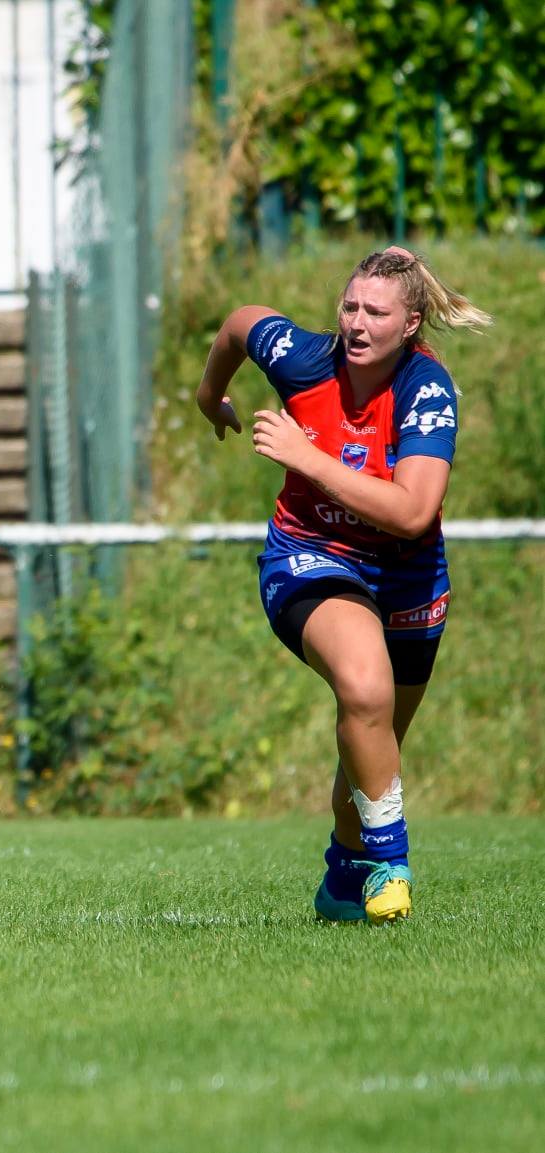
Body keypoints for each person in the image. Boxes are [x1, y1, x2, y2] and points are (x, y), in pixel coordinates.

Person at [194, 246, 490, 925]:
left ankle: (342, 871)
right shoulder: (303, 359)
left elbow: (412, 511)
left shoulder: (425, 390)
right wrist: (209, 396)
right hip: (309, 556)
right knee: (363, 688)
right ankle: (392, 863)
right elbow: (241, 322)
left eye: (375, 312)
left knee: (371, 742)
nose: (356, 322)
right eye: (349, 306)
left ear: (411, 323)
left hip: (408, 575)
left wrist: (306, 457)